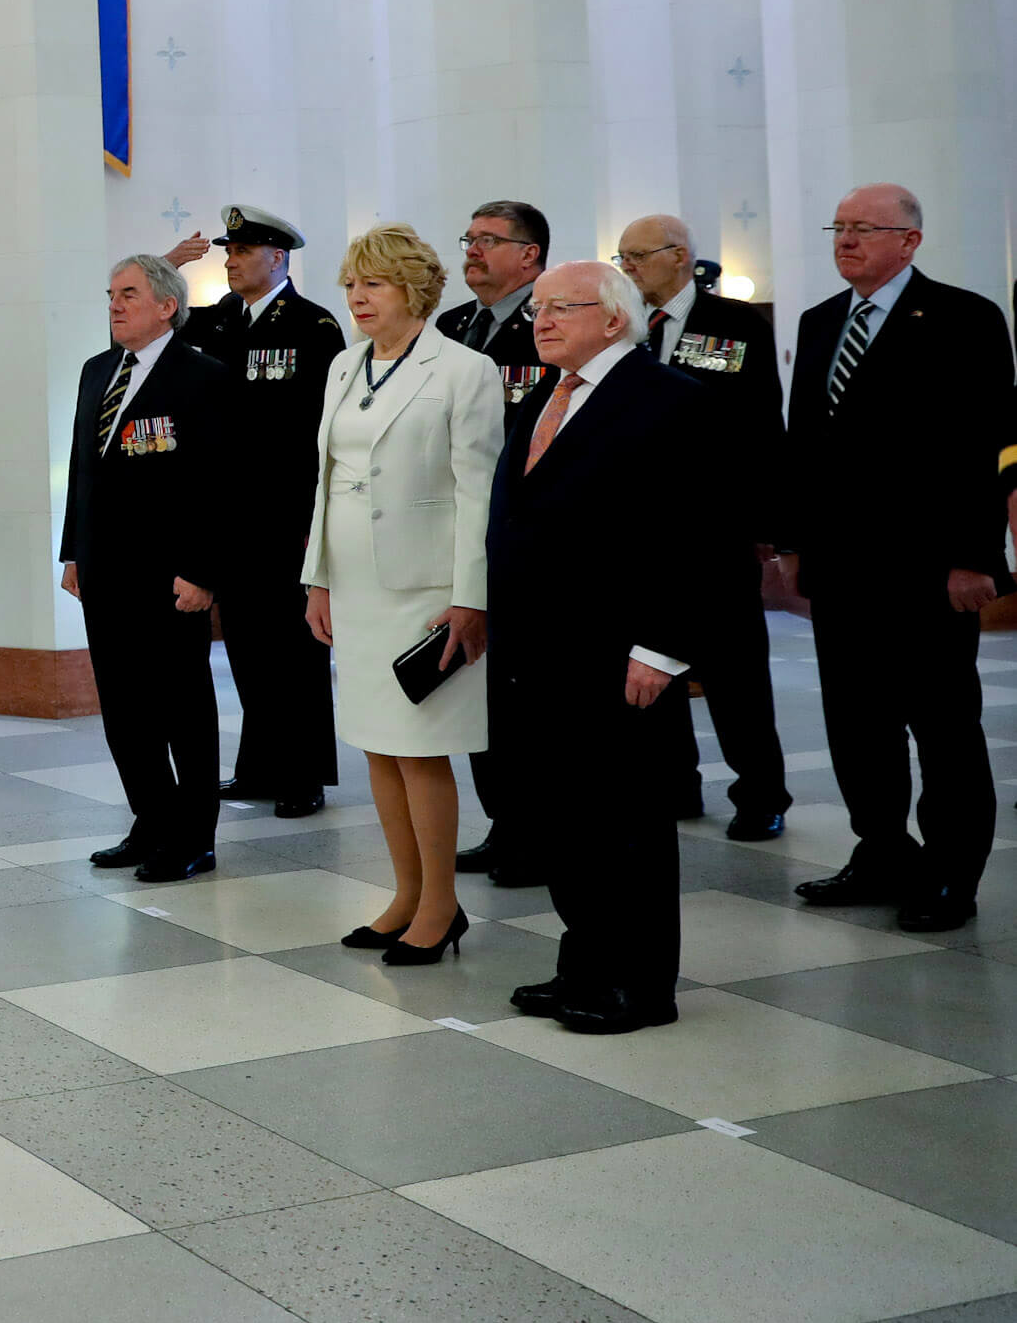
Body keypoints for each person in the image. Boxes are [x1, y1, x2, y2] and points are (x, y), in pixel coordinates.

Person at [489, 262, 725, 1033]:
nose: (541, 320)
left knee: (628, 824)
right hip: (541, 649)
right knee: (567, 820)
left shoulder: (669, 399)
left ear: (614, 318)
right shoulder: (545, 393)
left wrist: (662, 647)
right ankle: (585, 963)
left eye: (561, 307)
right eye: (538, 308)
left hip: (619, 650)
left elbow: (696, 537)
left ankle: (642, 985)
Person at [780, 186, 1014, 932]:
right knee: (857, 723)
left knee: (943, 726)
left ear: (909, 241)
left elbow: (985, 444)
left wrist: (975, 557)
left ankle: (951, 872)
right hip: (841, 566)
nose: (845, 240)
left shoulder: (964, 316)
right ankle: (881, 849)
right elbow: (803, 442)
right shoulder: (821, 320)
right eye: (839, 228)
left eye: (864, 229)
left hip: (927, 568)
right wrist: (792, 541)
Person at [301, 225, 502, 965]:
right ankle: (405, 894)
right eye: (352, 284)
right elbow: (326, 480)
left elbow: (479, 492)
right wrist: (318, 575)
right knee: (377, 748)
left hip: (426, 589)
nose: (357, 297)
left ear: (414, 290)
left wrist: (472, 596)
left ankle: (441, 906)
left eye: (374, 283)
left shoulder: (464, 369)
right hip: (355, 586)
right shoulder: (344, 365)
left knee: (419, 750)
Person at [167, 203, 350, 817]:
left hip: (286, 516)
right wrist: (165, 267)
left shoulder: (312, 325)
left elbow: (325, 433)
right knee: (245, 645)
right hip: (230, 517)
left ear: (278, 257)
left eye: (244, 251)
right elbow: (151, 332)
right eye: (229, 251)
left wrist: (317, 520)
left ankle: (303, 773)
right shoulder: (218, 319)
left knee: (293, 649)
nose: (231, 261)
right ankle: (260, 766)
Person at [612, 214, 791, 839]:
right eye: (622, 258)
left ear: (679, 256)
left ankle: (761, 794)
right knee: (651, 658)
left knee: (734, 670)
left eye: (638, 256)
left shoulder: (735, 324)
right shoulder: (621, 325)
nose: (628, 268)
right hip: (641, 531)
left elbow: (763, 428)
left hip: (717, 526)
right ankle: (674, 784)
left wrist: (768, 524)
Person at [61, 255, 234, 883]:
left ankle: (195, 837)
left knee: (182, 708)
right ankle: (152, 819)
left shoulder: (203, 376)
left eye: (128, 294)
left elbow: (220, 484)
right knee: (124, 707)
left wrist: (203, 570)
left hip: (170, 576)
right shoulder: (97, 370)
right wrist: (73, 550)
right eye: (111, 294)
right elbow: (83, 466)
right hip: (105, 570)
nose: (115, 304)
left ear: (167, 306)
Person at [437, 198, 553, 886]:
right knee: (479, 690)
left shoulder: (551, 323)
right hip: (465, 533)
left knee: (525, 695)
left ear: (529, 254)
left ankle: (538, 833)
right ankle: (504, 822)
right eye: (469, 238)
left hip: (529, 534)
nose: (472, 251)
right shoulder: (453, 326)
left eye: (488, 240)